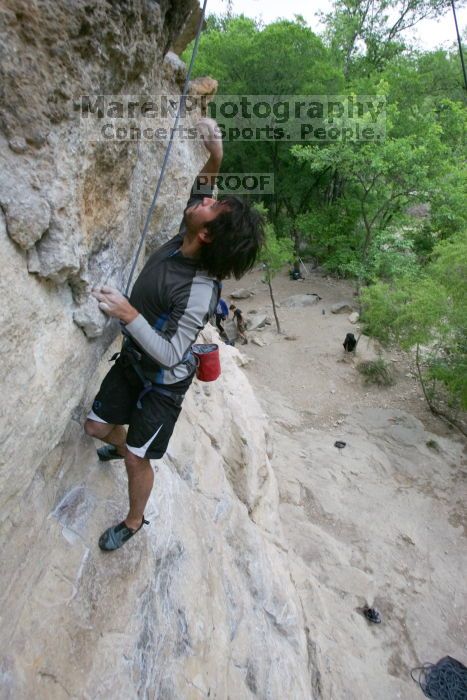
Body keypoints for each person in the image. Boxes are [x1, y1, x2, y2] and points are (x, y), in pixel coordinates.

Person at [85, 118, 264, 551]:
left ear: (206, 233)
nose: (206, 200)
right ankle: (124, 443)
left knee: (136, 459)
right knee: (95, 427)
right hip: (135, 361)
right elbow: (205, 188)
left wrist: (128, 314)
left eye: (212, 206)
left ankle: (132, 521)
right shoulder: (187, 237)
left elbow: (169, 354)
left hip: (163, 384)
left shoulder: (199, 291)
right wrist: (215, 155)